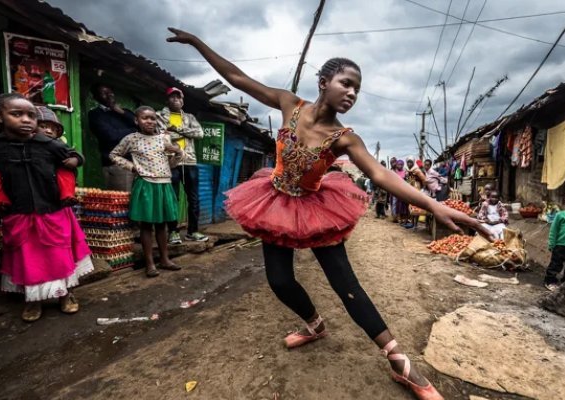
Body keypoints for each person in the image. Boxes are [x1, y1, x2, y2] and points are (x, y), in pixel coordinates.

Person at [168, 26, 490, 400]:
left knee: (346, 285)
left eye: (357, 89)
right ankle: (314, 325)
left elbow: (379, 173)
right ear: (324, 82)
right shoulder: (290, 104)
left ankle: (401, 363)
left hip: (317, 208)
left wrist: (433, 204)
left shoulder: (345, 137)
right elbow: (238, 78)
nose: (352, 93)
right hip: (273, 202)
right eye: (346, 83)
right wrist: (197, 42)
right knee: (280, 281)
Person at [0, 93, 92, 321]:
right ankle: (33, 301)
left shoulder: (47, 144)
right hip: (18, 213)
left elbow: (74, 153)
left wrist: (75, 161)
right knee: (28, 259)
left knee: (59, 256)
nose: (26, 120)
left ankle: (65, 295)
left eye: (31, 115)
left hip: (52, 210)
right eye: (17, 114)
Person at [109, 106, 185, 278]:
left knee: (162, 224)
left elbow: (172, 165)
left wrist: (177, 152)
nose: (150, 121)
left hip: (164, 183)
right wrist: (132, 167)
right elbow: (114, 155)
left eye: (152, 118)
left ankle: (165, 259)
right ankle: (150, 263)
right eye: (145, 118)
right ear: (137, 121)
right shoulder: (132, 139)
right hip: (145, 184)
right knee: (146, 225)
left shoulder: (163, 139)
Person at [0, 106, 79, 209]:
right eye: (43, 126)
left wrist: (75, 159)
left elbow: (73, 153)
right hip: (21, 188)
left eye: (53, 130)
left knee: (65, 171)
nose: (49, 131)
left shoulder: (56, 144)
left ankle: (67, 195)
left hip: (49, 187)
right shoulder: (12, 142)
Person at [156, 87, 209, 244]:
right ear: (167, 100)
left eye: (178, 98)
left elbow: (200, 133)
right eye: (172, 97)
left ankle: (193, 231)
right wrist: (184, 133)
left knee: (193, 198)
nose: (176, 100)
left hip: (190, 161)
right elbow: (161, 136)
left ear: (182, 100)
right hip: (170, 161)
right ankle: (173, 232)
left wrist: (177, 129)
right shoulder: (159, 115)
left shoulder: (190, 117)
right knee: (173, 198)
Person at [88, 83, 137, 191]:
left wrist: (121, 111)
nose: (109, 95)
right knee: (122, 203)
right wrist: (134, 131)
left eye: (110, 92)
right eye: (104, 93)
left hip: (138, 162)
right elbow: (110, 136)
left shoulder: (124, 112)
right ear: (96, 97)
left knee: (140, 201)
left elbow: (140, 125)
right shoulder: (95, 114)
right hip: (117, 165)